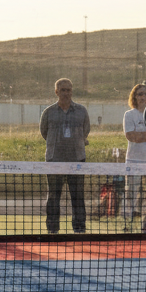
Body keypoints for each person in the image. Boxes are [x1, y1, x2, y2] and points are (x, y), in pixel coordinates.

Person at [39, 78, 91, 234]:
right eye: (63, 90)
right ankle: (52, 230)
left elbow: (86, 130)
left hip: (77, 160)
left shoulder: (82, 111)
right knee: (53, 197)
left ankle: (79, 229)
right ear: (56, 92)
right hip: (55, 160)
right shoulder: (48, 112)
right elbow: (44, 132)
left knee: (78, 197)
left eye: (69, 90)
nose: (66, 93)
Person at [122, 84, 146, 233]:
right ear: (134, 97)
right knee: (131, 191)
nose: (144, 97)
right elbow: (131, 136)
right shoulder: (129, 115)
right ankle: (128, 222)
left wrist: (143, 135)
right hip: (133, 160)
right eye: (140, 94)